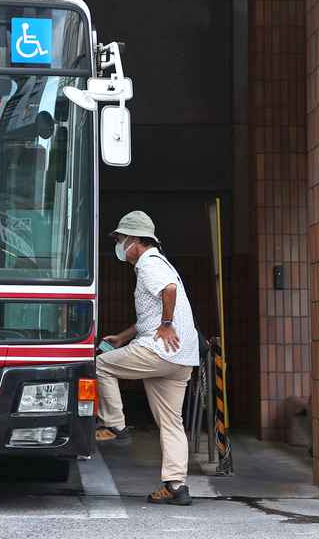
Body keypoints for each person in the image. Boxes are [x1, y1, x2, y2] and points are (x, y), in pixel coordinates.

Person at [95, 210, 200, 506]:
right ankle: (176, 486)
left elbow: (169, 290)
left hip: (161, 350)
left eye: (120, 239)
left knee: (102, 364)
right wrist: (124, 336)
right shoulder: (158, 263)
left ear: (135, 240)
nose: (118, 245)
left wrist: (166, 325)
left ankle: (114, 423)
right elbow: (152, 313)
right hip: (182, 357)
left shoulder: (149, 263)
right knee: (171, 423)